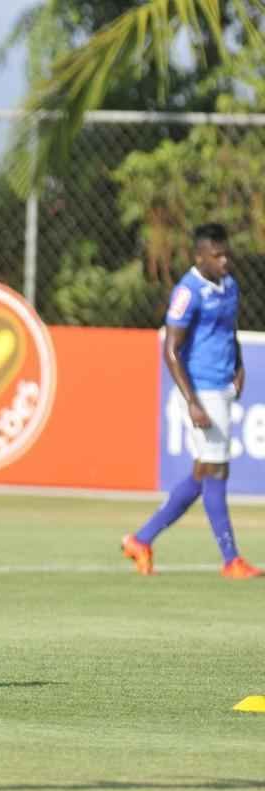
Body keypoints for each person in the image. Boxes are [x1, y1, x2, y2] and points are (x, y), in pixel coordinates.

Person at [122, 222, 261, 579]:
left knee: (208, 473)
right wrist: (191, 401)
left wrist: (240, 366)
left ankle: (141, 539)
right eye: (217, 255)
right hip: (203, 390)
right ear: (199, 256)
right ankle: (230, 560)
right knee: (213, 470)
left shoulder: (229, 286)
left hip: (224, 388)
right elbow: (171, 350)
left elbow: (229, 329)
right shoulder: (188, 292)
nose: (225, 260)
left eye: (226, 253)